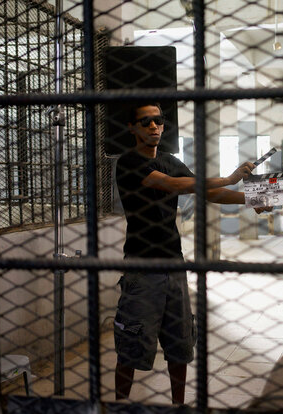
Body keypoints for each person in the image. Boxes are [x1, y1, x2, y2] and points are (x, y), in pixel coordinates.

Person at [114, 102, 270, 403]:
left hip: (174, 265)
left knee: (180, 345)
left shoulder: (171, 160)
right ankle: (119, 405)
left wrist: (252, 197)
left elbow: (207, 191)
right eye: (145, 122)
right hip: (142, 268)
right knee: (132, 345)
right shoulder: (129, 162)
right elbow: (171, 184)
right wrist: (228, 178)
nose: (153, 127)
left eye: (157, 121)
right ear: (132, 127)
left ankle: (178, 405)